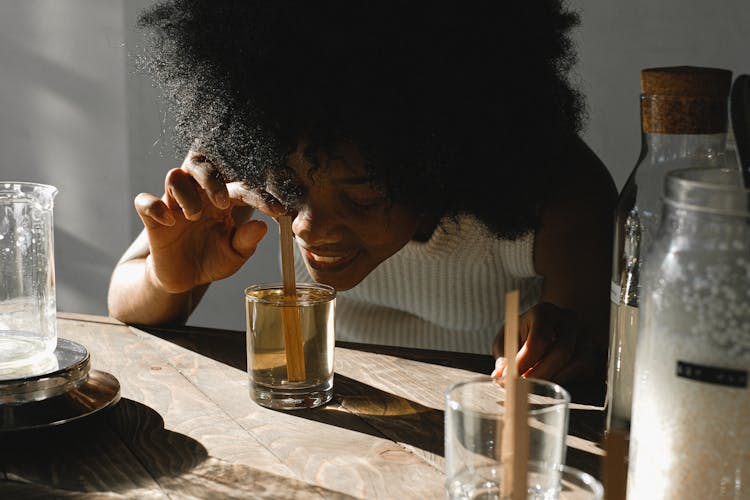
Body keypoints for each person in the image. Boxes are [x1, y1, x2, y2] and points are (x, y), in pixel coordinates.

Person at [108, 0, 617, 386]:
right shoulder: (250, 146)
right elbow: (123, 303)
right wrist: (163, 278)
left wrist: (565, 350)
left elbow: (591, 371)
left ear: (444, 159)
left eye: (364, 196)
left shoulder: (555, 193)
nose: (308, 225)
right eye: (289, 187)